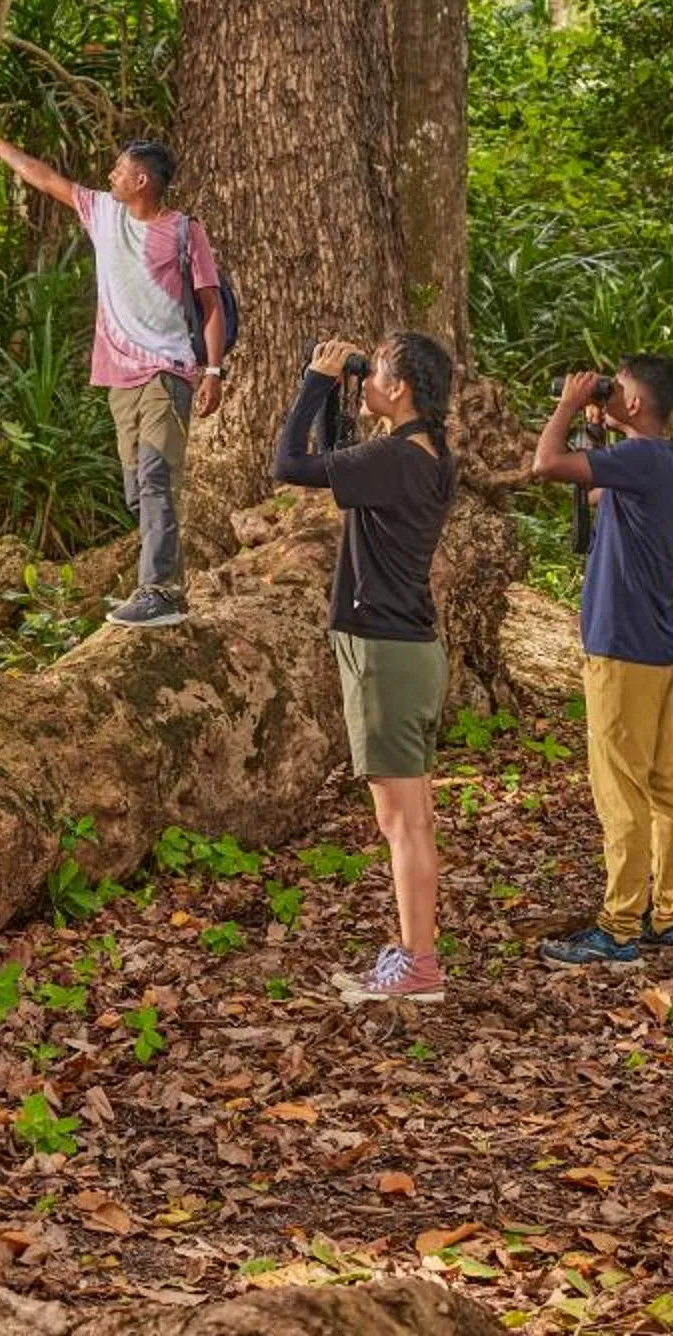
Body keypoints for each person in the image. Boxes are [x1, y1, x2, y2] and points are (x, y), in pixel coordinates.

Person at [0, 118, 228, 628]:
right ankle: (165, 590)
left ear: (142, 180)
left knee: (156, 479)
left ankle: (161, 591)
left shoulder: (184, 232)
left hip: (169, 371)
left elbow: (210, 305)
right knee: (136, 489)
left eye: (120, 169)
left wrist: (212, 370)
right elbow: (43, 177)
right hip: (120, 376)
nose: (111, 175)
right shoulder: (103, 213)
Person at [273, 332, 461, 1003]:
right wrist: (346, 395)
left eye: (378, 372)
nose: (372, 379)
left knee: (402, 823)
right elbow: (339, 464)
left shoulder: (393, 457)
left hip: (385, 653)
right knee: (410, 819)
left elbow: (290, 463)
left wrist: (315, 381)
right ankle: (414, 954)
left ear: (402, 385)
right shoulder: (428, 455)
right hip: (408, 648)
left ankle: (420, 966)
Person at [523, 357, 673, 967]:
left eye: (615, 389)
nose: (606, 392)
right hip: (655, 644)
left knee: (619, 789)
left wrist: (569, 405)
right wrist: (596, 427)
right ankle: (671, 916)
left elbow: (546, 465)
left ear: (634, 405)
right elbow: (596, 492)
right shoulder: (668, 458)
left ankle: (620, 926)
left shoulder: (644, 457)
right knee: (662, 787)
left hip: (621, 646)